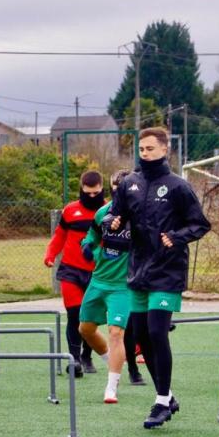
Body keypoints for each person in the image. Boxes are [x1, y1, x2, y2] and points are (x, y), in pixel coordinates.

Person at [109, 127, 210, 428]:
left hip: (168, 270)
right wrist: (114, 222)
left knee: (156, 332)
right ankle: (167, 397)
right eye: (141, 149)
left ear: (165, 150)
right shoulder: (129, 183)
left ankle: (162, 401)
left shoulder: (178, 186)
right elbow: (116, 216)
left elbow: (200, 224)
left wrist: (176, 237)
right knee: (140, 336)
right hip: (138, 269)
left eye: (150, 148)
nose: (145, 153)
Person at [78, 170, 144, 404]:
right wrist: (87, 246)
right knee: (85, 329)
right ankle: (112, 361)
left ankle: (111, 387)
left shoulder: (143, 216)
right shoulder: (102, 213)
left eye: (122, 190)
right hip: (99, 281)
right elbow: (92, 236)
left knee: (116, 333)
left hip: (123, 286)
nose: (118, 195)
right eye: (114, 190)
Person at [44, 171, 103, 376]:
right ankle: (74, 360)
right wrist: (50, 254)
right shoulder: (70, 210)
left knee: (90, 317)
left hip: (98, 272)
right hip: (70, 270)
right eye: (88, 193)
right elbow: (59, 236)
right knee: (74, 314)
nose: (92, 197)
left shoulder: (108, 211)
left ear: (102, 189)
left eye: (96, 193)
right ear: (81, 190)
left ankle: (87, 356)